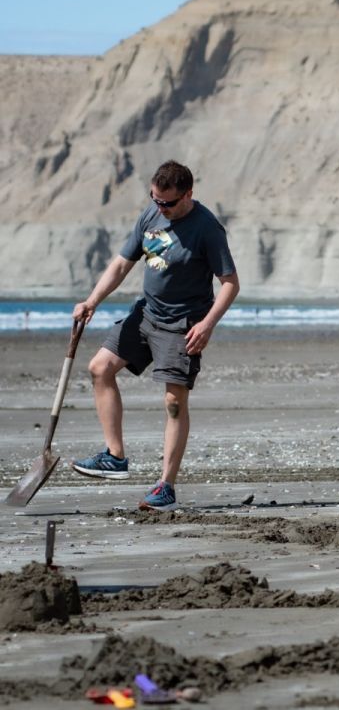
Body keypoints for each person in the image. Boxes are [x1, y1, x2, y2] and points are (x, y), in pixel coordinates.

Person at [70, 160, 239, 511]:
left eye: (167, 203)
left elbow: (230, 284)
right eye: (155, 199)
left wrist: (206, 324)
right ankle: (115, 457)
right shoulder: (151, 215)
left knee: (174, 403)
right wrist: (92, 301)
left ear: (188, 194)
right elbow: (121, 264)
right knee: (100, 368)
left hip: (183, 326)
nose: (160, 207)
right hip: (146, 315)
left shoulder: (207, 228)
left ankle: (166, 486)